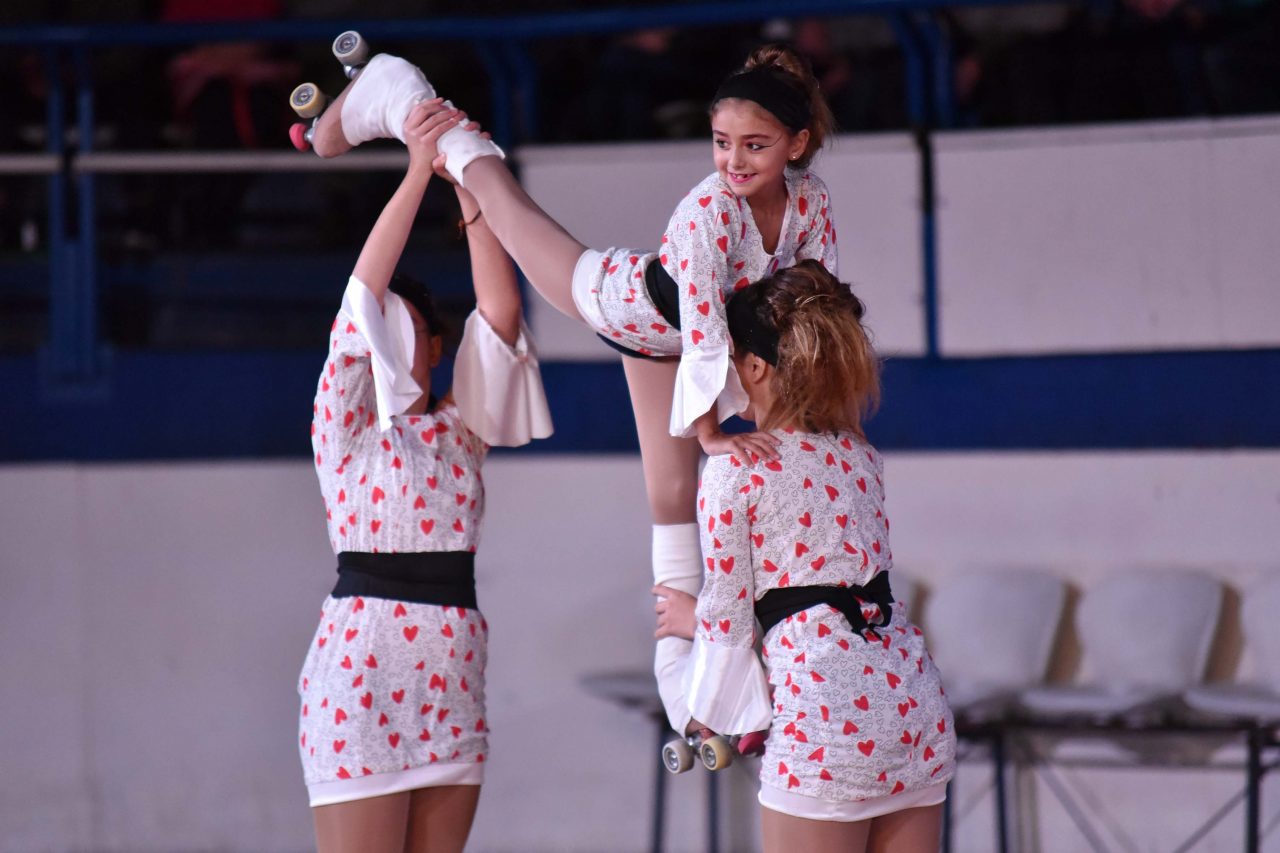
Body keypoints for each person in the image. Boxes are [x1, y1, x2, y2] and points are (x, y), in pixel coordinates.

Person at [300, 39, 838, 737]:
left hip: (679, 337)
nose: (733, 161)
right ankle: (406, 98)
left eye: (755, 146)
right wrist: (710, 433)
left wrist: (814, 412)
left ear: (798, 144)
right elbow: (706, 334)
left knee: (671, 496)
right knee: (497, 192)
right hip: (618, 300)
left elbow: (819, 304)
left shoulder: (811, 202)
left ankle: (690, 689)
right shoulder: (710, 208)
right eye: (720, 142)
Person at [296, 101, 552, 853]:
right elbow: (358, 300)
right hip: (361, 683)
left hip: (452, 680)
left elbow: (500, 313)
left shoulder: (460, 431)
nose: (382, 339)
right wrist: (415, 171)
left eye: (403, 328)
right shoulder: (346, 427)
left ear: (435, 346)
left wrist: (466, 177)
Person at [661, 260, 956, 852]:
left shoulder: (735, 470)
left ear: (754, 366)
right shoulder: (859, 455)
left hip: (828, 724)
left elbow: (726, 621)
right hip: (914, 708)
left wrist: (689, 627)